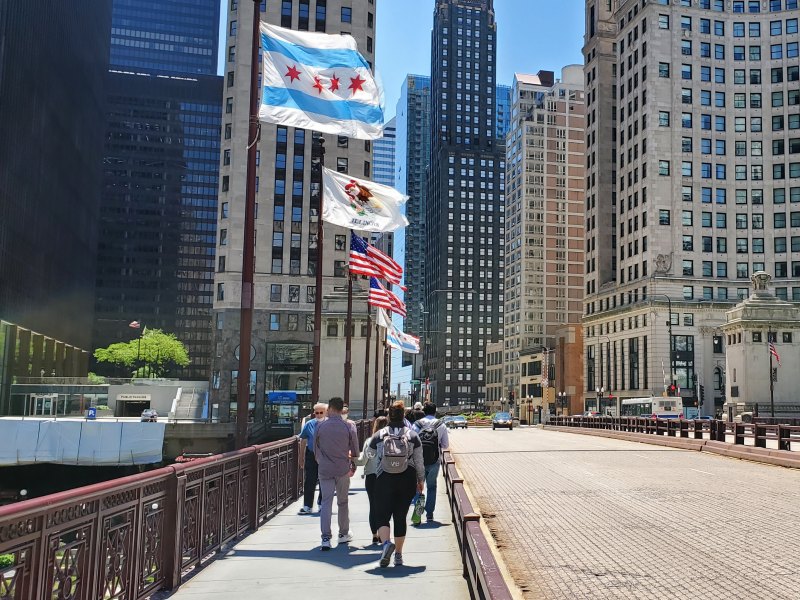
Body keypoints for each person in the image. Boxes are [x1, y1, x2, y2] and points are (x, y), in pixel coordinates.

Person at [368, 400, 425, 567]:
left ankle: (386, 544)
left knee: (382, 515)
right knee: (400, 517)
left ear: (388, 416)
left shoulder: (380, 434)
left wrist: (380, 460)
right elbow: (419, 461)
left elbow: (369, 454)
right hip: (407, 478)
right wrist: (420, 480)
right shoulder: (412, 435)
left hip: (384, 477)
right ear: (404, 415)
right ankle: (398, 555)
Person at [314, 397, 360, 550]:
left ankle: (325, 538)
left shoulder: (320, 426)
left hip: (325, 468)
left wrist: (322, 461)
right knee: (343, 501)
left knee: (326, 502)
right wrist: (351, 463)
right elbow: (355, 451)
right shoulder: (349, 427)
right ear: (341, 410)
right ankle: (343, 534)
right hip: (342, 468)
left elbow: (315, 450)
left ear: (330, 409)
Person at [353, 415, 388, 545]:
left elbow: (362, 461)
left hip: (372, 477)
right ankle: (383, 533)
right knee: (384, 506)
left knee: (373, 506)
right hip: (386, 476)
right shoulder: (392, 440)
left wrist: (351, 459)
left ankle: (374, 535)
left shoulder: (370, 440)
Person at [412, 402, 449, 523]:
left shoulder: (417, 424)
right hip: (434, 461)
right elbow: (445, 445)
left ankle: (417, 515)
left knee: (418, 486)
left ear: (424, 411)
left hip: (418, 461)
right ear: (435, 411)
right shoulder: (441, 425)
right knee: (432, 487)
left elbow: (411, 442)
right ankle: (429, 514)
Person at [297, 403, 327, 515]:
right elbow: (303, 440)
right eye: (317, 412)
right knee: (310, 480)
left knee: (324, 480)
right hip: (311, 455)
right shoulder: (309, 424)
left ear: (326, 412)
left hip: (325, 456)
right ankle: (307, 506)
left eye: (321, 412)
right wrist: (301, 458)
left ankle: (322, 504)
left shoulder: (329, 424)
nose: (319, 415)